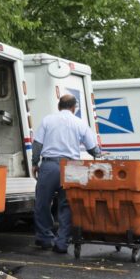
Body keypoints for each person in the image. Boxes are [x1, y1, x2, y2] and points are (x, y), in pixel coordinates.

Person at [31, 94, 100, 253]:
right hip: (73, 167)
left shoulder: (47, 120)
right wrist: (99, 153)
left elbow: (37, 144)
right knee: (68, 205)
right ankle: (62, 243)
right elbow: (92, 148)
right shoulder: (79, 123)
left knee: (42, 203)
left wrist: (35, 163)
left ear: (59, 106)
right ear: (73, 108)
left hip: (50, 165)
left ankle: (45, 238)